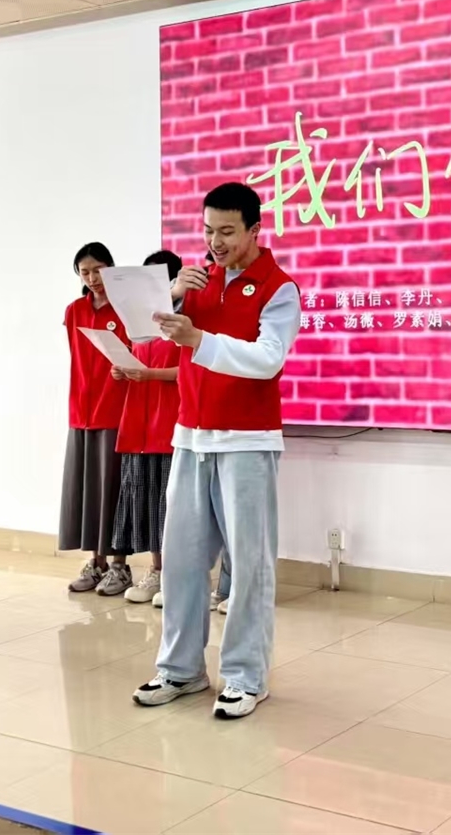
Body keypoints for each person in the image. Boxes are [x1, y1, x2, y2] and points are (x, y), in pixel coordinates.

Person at [132, 183, 301, 720]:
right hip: (191, 436)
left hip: (247, 441)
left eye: (227, 231)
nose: (216, 242)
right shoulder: (195, 282)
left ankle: (247, 676)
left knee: (249, 566)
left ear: (255, 229)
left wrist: (197, 341)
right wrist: (170, 295)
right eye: (208, 231)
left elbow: (268, 359)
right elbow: (143, 340)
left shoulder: (278, 288)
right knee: (182, 561)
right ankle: (180, 670)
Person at [110, 250, 183, 606]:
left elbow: (193, 371)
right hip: (139, 424)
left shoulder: (185, 321)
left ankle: (176, 576)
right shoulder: (139, 324)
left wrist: (151, 374)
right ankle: (156, 570)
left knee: (172, 505)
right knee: (148, 503)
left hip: (170, 424)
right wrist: (121, 369)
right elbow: (136, 363)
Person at [60, 242, 132, 597]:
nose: (92, 278)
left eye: (98, 270)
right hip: (81, 410)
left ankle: (119, 565)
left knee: (113, 490)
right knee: (87, 490)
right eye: (85, 272)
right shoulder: (74, 310)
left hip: (115, 408)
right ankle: (96, 562)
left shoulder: (128, 309)